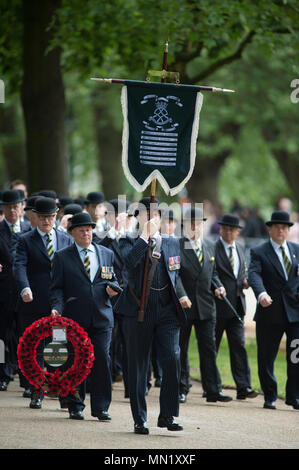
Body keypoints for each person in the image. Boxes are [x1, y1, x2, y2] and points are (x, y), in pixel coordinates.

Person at [115, 197, 186, 435]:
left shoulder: (172, 242)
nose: (152, 217)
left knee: (172, 359)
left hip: (167, 311)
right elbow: (129, 263)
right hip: (138, 311)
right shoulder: (128, 239)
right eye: (147, 214)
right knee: (138, 367)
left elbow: (175, 275)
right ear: (138, 217)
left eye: (156, 213)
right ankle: (140, 418)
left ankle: (168, 414)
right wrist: (144, 238)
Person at [50, 212, 119, 421]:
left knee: (102, 360)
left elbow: (113, 278)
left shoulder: (106, 253)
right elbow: (57, 288)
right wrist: (56, 308)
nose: (86, 233)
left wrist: (112, 289)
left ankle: (101, 407)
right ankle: (75, 405)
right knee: (75, 361)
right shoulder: (62, 256)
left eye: (89, 229)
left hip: (102, 316)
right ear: (72, 233)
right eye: (81, 230)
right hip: (74, 318)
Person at [13, 197, 72, 406]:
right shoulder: (24, 240)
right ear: (35, 217)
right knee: (36, 348)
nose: (46, 221)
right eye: (42, 217)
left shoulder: (66, 239)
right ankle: (36, 392)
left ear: (56, 217)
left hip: (59, 304)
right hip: (34, 302)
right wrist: (24, 288)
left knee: (57, 346)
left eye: (50, 217)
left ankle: (60, 393)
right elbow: (19, 265)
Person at [178, 206, 232, 404]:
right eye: (191, 224)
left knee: (209, 348)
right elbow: (174, 277)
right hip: (184, 306)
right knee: (181, 348)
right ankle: (181, 387)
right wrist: (181, 296)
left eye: (199, 224)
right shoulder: (178, 245)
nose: (195, 227)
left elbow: (213, 272)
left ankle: (213, 390)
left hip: (207, 306)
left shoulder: (210, 245)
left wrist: (218, 286)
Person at [248, 210, 299, 410]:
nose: (281, 230)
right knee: (266, 357)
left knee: (296, 356)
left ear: (288, 230)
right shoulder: (259, 251)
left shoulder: (296, 250)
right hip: (270, 312)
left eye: (285, 227)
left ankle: (294, 395)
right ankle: (270, 395)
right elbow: (254, 275)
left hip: (295, 313)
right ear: (270, 229)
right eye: (277, 227)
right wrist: (261, 294)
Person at [214, 213, 258, 400]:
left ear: (238, 232)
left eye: (233, 229)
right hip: (217, 306)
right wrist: (216, 288)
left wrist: (245, 281)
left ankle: (243, 387)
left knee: (239, 346)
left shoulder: (240, 248)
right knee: (211, 348)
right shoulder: (212, 248)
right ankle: (212, 387)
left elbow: (240, 273)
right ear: (221, 229)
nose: (229, 232)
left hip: (237, 307)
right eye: (226, 229)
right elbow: (210, 273)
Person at [0, 190, 30, 391]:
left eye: (16, 206)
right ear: (3, 209)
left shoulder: (29, 229)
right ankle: (2, 374)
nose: (12, 210)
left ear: (22, 208)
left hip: (25, 292)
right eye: (9, 206)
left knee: (26, 336)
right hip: (2, 293)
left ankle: (27, 380)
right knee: (1, 336)